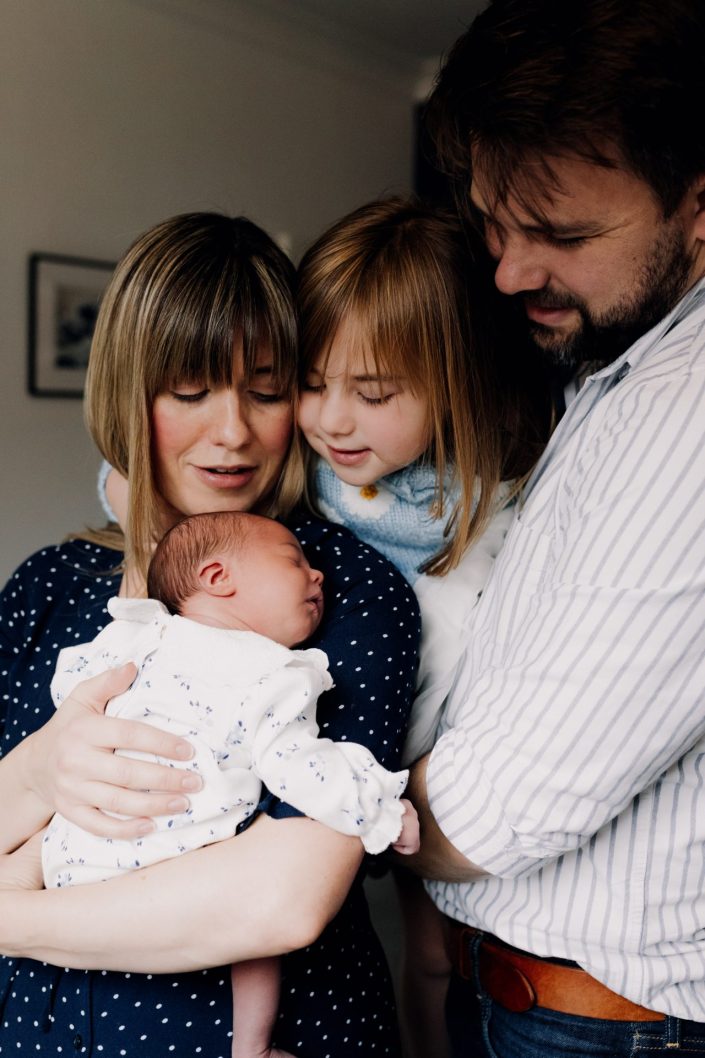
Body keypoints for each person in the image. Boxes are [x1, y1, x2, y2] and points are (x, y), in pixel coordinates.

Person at [0, 211, 421, 1057]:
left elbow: (276, 900)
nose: (233, 432)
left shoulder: (332, 594)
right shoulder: (52, 585)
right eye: (189, 392)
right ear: (126, 392)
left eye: (265, 391)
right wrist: (40, 768)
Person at [400, 1, 705, 1056]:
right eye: (492, 223)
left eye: (563, 235)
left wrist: (281, 811)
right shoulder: (615, 369)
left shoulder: (688, 413)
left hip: (604, 1026)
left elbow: (505, 803)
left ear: (700, 204)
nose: (509, 272)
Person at [295, 196, 550, 1058]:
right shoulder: (304, 490)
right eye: (309, 382)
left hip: (453, 775)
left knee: (441, 957)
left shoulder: (505, 496)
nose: (332, 420)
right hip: (340, 772)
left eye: (371, 394)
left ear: (455, 383)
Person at [44, 509, 420, 1058]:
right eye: (295, 560)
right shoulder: (273, 673)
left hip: (75, 860)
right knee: (253, 936)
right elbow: (300, 767)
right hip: (182, 868)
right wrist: (383, 811)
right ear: (219, 578)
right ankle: (253, 1046)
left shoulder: (134, 635)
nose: (317, 575)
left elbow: (70, 692)